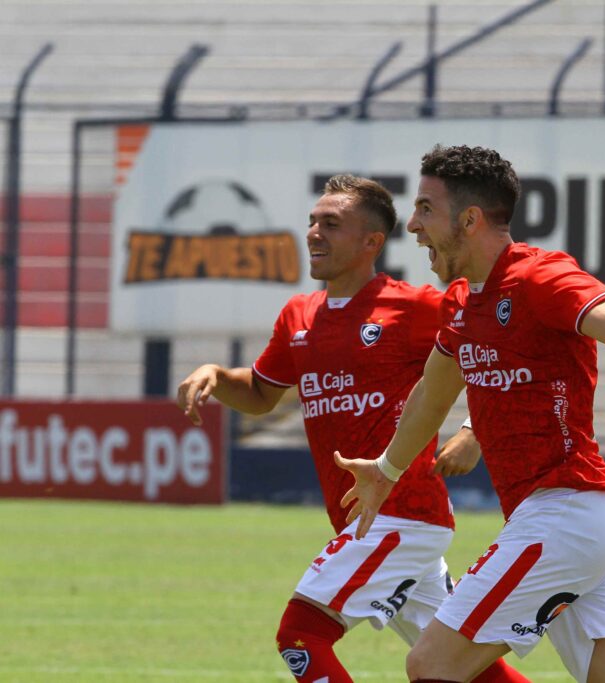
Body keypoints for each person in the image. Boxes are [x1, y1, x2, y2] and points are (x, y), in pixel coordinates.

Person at [335, 145, 605, 683]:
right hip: (576, 523)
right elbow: (431, 396)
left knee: (432, 662)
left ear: (470, 219)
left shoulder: (538, 276)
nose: (412, 225)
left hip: (563, 516)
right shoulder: (462, 301)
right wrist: (387, 469)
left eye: (425, 209)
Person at [176, 175, 528, 683]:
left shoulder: (413, 306)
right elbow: (260, 393)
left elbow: (496, 350)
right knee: (470, 672)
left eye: (331, 224)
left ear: (371, 242)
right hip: (368, 520)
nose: (314, 233)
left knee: (301, 635)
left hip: (400, 515)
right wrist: (216, 375)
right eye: (312, 222)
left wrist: (474, 430)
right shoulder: (299, 315)